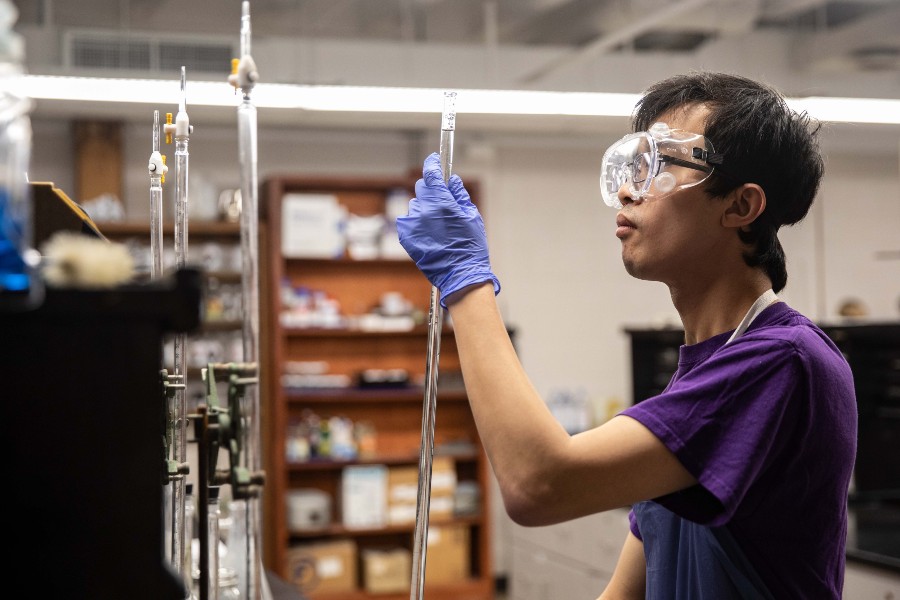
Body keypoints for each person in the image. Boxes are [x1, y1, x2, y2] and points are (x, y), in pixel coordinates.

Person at [396, 71, 857, 599]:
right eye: (632, 165)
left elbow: (539, 484)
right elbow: (622, 593)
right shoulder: (698, 375)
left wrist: (466, 281)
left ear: (740, 206)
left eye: (659, 166)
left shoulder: (784, 363)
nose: (626, 189)